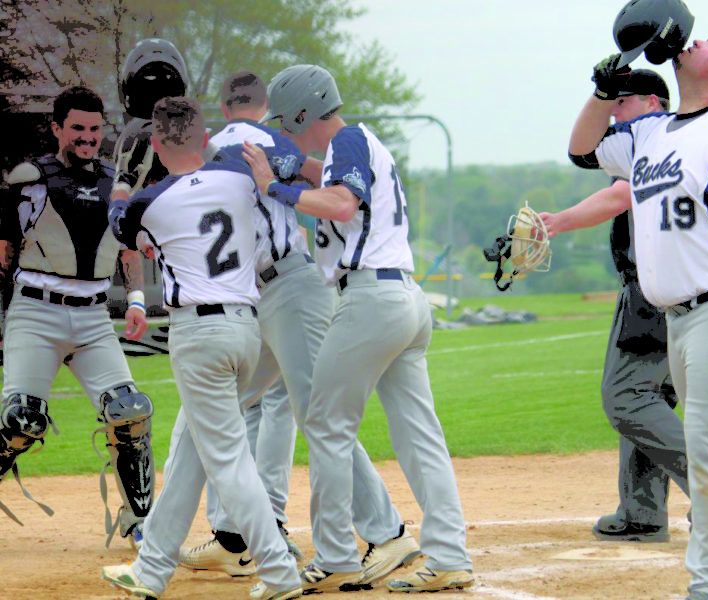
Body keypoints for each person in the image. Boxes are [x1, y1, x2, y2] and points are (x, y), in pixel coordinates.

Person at [569, 35, 708, 600]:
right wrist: (602, 89)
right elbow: (581, 150)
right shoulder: (651, 131)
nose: (698, 39)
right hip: (679, 316)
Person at [179, 70, 421, 588]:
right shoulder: (272, 139)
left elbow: (323, 184)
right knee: (232, 407)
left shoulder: (228, 144)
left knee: (316, 415)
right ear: (264, 107)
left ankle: (387, 530)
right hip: (264, 291)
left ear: (223, 108)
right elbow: (314, 172)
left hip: (284, 288)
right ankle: (238, 537)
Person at [242, 64, 474, 593]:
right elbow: (331, 179)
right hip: (403, 299)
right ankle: (449, 555)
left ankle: (337, 557)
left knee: (323, 421)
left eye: (288, 120)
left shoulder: (348, 138)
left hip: (370, 299)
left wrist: (274, 185)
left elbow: (343, 203)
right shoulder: (359, 143)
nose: (286, 129)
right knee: (420, 436)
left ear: (303, 110)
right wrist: (299, 167)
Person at [101, 96, 303, 600]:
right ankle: (152, 569)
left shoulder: (154, 198)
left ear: (157, 143)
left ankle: (279, 573)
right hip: (246, 326)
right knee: (194, 451)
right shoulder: (237, 175)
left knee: (228, 460)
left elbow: (120, 224)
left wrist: (124, 179)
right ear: (205, 134)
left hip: (199, 333)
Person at [0, 85, 153, 548]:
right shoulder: (30, 180)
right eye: (77, 129)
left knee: (129, 413)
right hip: (35, 312)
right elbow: (5, 251)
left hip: (92, 319)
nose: (87, 137)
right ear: (57, 128)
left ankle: (140, 522)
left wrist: (138, 299)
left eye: (93, 128)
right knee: (21, 421)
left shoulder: (117, 184)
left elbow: (128, 248)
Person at [542, 69, 689, 543]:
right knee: (649, 398)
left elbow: (619, 195)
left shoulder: (656, 140)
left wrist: (558, 222)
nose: (613, 114)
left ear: (651, 101)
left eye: (619, 104)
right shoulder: (664, 138)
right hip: (665, 287)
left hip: (652, 290)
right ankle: (643, 512)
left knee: (626, 398)